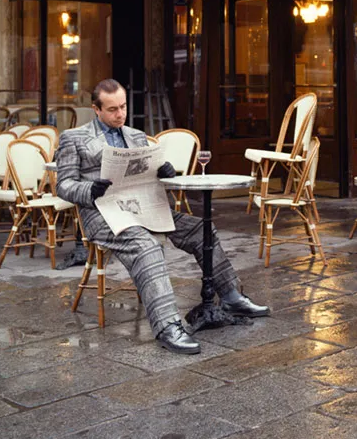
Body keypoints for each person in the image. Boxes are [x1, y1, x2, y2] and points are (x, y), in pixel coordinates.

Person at [56, 78, 269, 354]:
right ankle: (168, 325)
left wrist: (164, 172)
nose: (120, 114)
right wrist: (89, 189)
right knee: (146, 246)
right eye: (112, 110)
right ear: (96, 109)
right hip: (103, 215)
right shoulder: (74, 138)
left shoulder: (135, 136)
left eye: (123, 107)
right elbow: (63, 184)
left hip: (144, 207)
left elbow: (147, 172)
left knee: (199, 229)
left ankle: (230, 296)